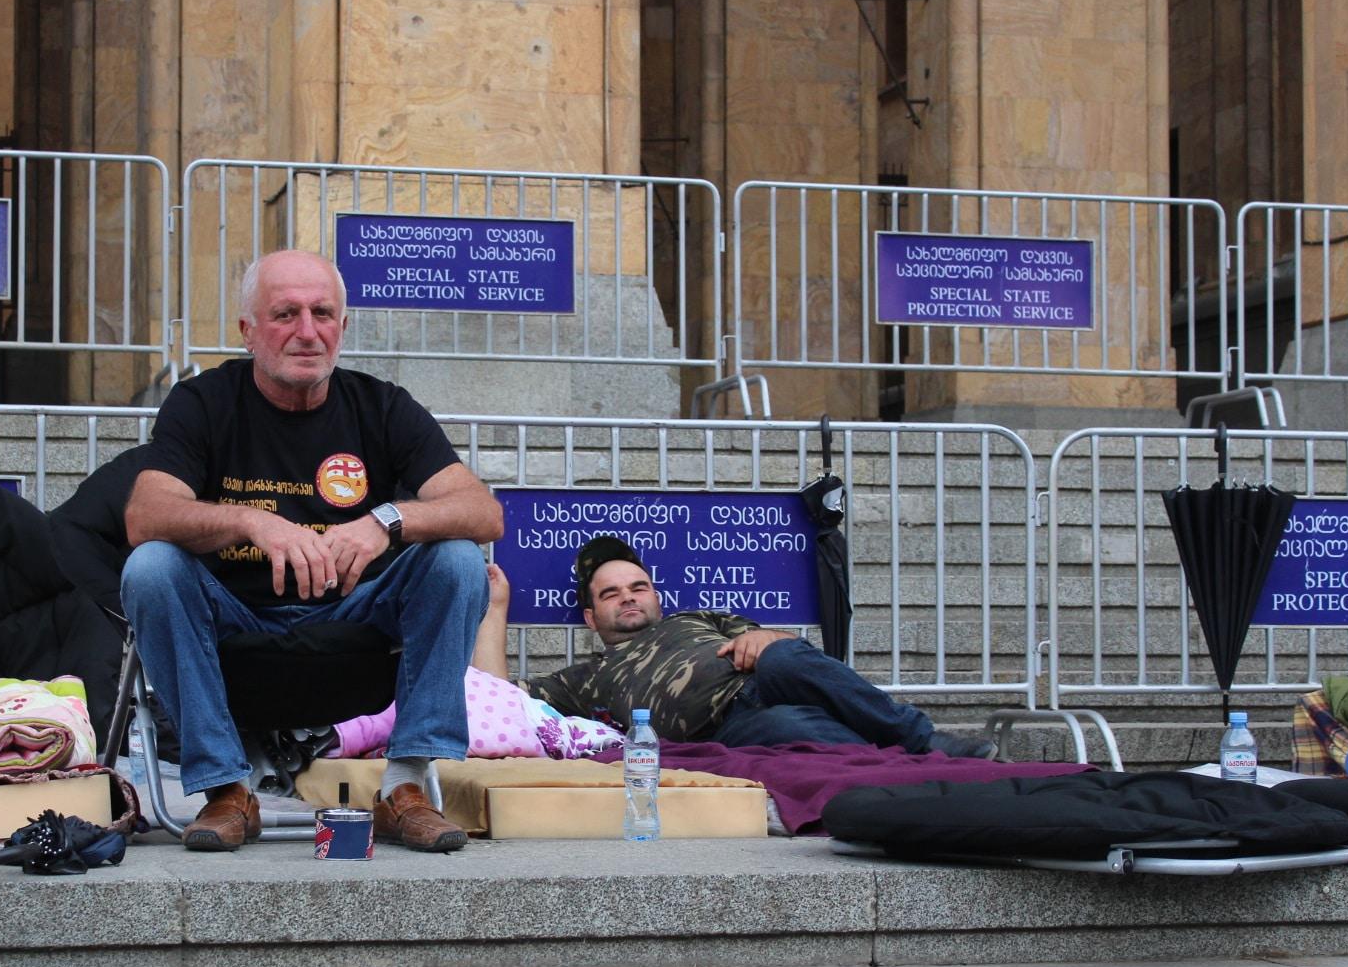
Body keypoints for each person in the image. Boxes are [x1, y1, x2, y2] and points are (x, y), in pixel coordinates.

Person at [122, 249, 502, 854]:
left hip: (356, 614)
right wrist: (252, 521)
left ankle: (404, 787)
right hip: (233, 616)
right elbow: (145, 515)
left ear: (342, 327)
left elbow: (483, 511)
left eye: (322, 313)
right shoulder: (203, 403)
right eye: (285, 314)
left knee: (458, 560)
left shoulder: (382, 406)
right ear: (248, 331)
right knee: (151, 567)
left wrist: (385, 520)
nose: (307, 331)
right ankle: (226, 790)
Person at [473, 537, 998, 758]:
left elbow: (790, 648)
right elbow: (497, 699)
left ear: (656, 597)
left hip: (763, 674)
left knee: (786, 655)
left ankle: (925, 739)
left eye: (638, 587)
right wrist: (495, 609)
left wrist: (766, 636)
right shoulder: (584, 678)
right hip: (727, 727)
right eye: (610, 593)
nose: (628, 597)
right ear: (591, 617)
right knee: (798, 730)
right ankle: (910, 767)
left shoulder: (698, 619)